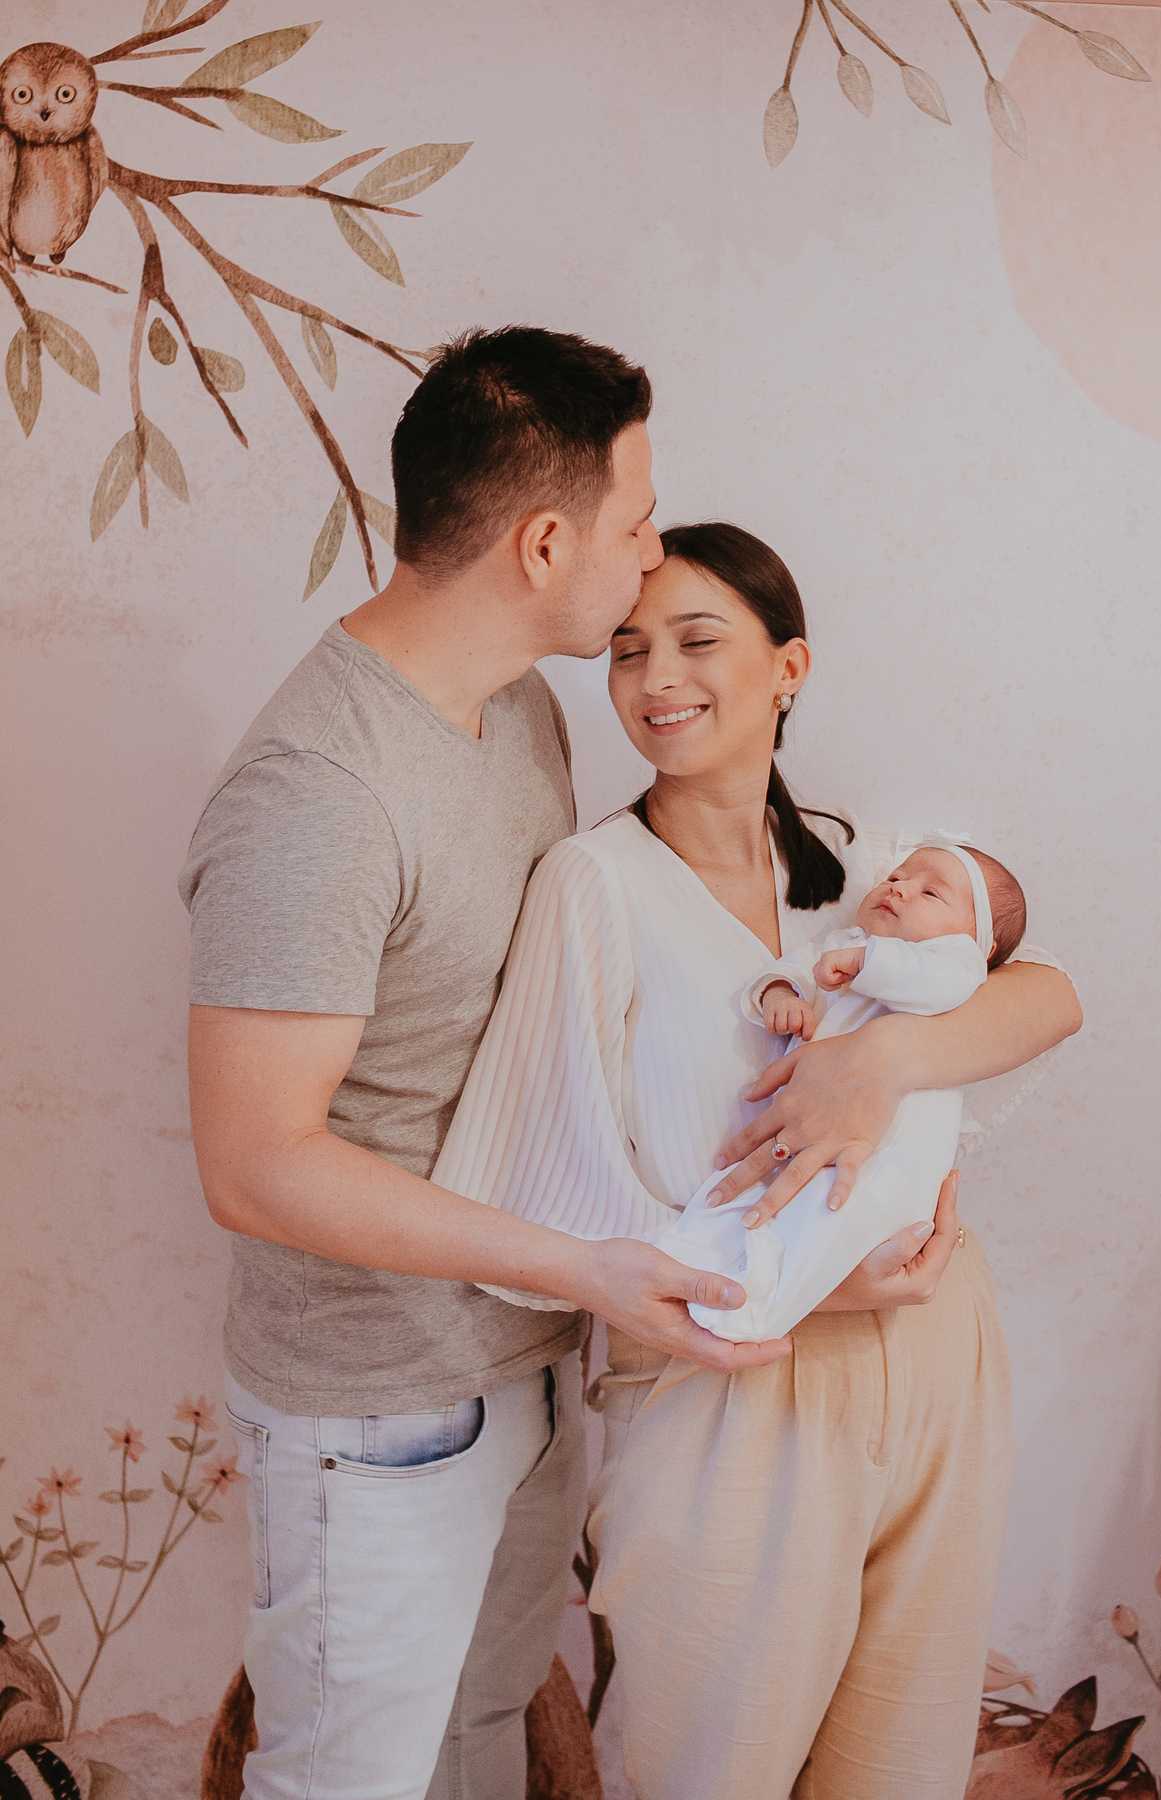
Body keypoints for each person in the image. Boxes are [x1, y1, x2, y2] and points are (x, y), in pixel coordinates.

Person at [180, 330, 805, 1800]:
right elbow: (255, 1164)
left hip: (528, 1366)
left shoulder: (522, 710)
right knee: (348, 1782)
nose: (647, 555)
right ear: (543, 543)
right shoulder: (318, 794)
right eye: (635, 521)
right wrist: (581, 1266)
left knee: (481, 1754)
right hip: (377, 1418)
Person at [432, 521, 1081, 1799]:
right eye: (628, 650)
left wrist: (879, 1062)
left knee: (898, 1770)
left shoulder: (869, 871)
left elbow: (1049, 993)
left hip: (940, 1354)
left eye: (697, 639)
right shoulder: (594, 884)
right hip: (735, 1383)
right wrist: (805, 1285)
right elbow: (526, 1194)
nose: (656, 677)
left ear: (790, 666)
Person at [654, 838, 1029, 1341]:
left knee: (836, 1214)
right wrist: (782, 992)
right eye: (896, 876)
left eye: (930, 893)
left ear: (981, 943)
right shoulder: (848, 941)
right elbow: (800, 965)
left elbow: (941, 983)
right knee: (756, 1198)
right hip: (814, 1124)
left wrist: (867, 960)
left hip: (891, 1142)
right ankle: (706, 1259)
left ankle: (761, 1302)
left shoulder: (954, 960)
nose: (899, 888)